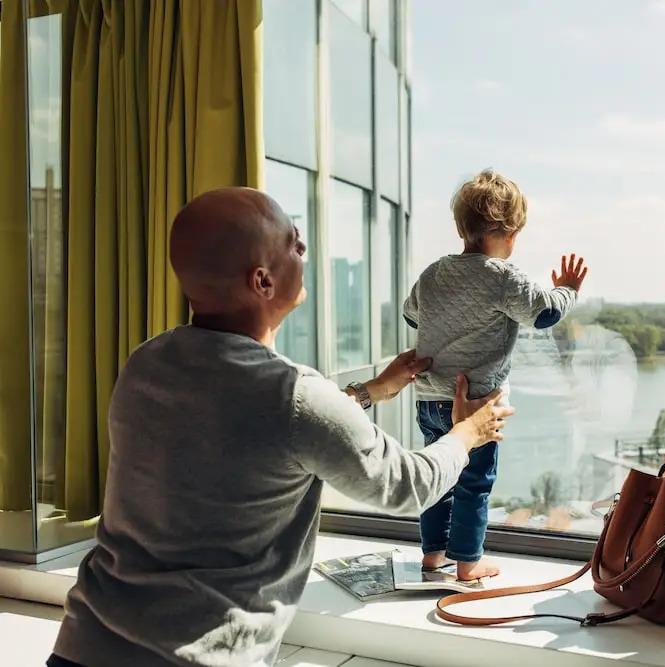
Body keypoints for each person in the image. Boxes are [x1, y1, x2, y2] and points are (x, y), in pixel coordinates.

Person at [49, 187, 514, 667]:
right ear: (263, 281)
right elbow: (405, 487)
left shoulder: (146, 363)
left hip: (82, 647)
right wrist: (468, 432)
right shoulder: (294, 395)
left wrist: (372, 391)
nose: (304, 249)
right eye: (293, 242)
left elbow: (259, 426)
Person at [403, 169, 588, 581]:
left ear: (460, 228)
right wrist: (569, 290)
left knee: (439, 475)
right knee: (474, 482)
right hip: (476, 407)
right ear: (511, 233)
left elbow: (411, 314)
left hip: (429, 399)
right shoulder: (502, 277)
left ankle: (433, 554)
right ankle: (468, 562)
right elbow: (544, 313)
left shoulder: (434, 273)